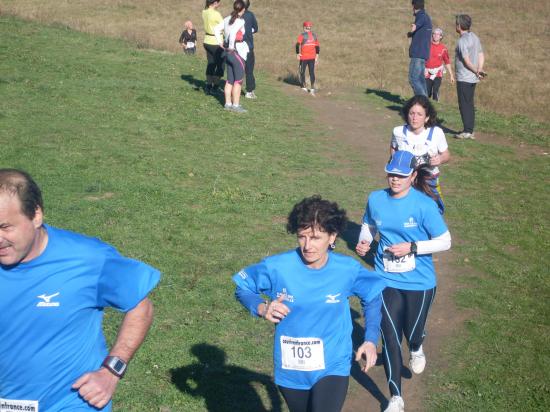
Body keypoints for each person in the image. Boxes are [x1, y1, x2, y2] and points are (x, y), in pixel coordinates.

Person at [0, 169, 161, 411]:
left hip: (72, 402)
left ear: (36, 215)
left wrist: (111, 371)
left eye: (5, 227)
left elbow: (141, 306)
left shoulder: (87, 258)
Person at [233, 195, 386, 412]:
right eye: (302, 237)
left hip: (333, 364)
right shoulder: (278, 266)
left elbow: (372, 297)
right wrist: (262, 308)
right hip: (291, 368)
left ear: (332, 236)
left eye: (315, 238)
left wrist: (370, 339)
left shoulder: (346, 269)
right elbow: (243, 288)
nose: (307, 245)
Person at [355, 151, 451, 412]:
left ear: (413, 176)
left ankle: (417, 346)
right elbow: (369, 225)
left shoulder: (424, 205)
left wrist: (412, 246)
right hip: (384, 278)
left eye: (400, 175)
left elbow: (445, 241)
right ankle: (395, 397)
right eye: (391, 173)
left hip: (419, 282)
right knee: (390, 336)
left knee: (413, 332)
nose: (394, 179)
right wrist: (365, 240)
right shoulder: (376, 199)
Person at [390, 95, 450, 214]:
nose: (414, 118)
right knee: (405, 213)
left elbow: (446, 155)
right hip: (405, 180)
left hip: (429, 180)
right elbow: (393, 148)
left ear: (427, 117)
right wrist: (396, 161)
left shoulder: (436, 133)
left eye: (419, 114)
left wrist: (440, 159)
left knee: (433, 213)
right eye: (412, 113)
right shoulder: (398, 132)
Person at [214, 0, 249, 113]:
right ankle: (236, 105)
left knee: (230, 80)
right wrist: (231, 46)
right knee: (238, 81)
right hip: (235, 52)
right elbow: (234, 33)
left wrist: (221, 42)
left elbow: (216, 29)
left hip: (228, 54)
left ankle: (228, 104)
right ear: (243, 9)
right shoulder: (240, 21)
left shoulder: (227, 19)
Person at [454, 14, 485, 140]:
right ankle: (470, 130)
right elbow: (481, 54)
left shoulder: (462, 41)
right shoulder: (474, 37)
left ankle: (467, 131)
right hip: (472, 78)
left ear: (459, 26)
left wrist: (476, 71)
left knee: (464, 104)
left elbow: (466, 61)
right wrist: (479, 69)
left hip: (464, 78)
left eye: (456, 23)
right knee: (469, 103)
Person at [407, 0, 432, 97]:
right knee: (420, 79)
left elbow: (415, 26)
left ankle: (423, 103)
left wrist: (413, 28)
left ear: (414, 6)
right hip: (424, 54)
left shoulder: (421, 16)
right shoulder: (427, 17)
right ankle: (425, 105)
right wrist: (412, 34)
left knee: (413, 78)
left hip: (417, 54)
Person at [424, 28, 454, 101]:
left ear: (441, 36)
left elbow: (447, 61)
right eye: (434, 33)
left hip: (438, 72)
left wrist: (451, 75)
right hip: (427, 72)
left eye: (437, 34)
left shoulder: (443, 48)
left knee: (435, 91)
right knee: (427, 92)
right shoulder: (427, 45)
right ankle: (426, 108)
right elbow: (421, 58)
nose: (435, 35)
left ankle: (436, 105)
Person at [202, 0, 225, 95]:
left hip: (207, 40)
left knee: (211, 63)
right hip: (216, 42)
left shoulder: (204, 12)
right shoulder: (216, 14)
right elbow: (224, 26)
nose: (219, 4)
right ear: (215, 3)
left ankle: (208, 86)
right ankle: (215, 87)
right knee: (221, 66)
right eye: (218, 2)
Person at [296, 21, 320, 96]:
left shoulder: (302, 35)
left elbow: (297, 45)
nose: (308, 29)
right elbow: (317, 47)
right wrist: (317, 55)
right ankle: (312, 88)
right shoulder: (314, 35)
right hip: (312, 57)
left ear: (304, 28)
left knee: (302, 71)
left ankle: (304, 87)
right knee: (311, 72)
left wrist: (297, 53)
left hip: (304, 58)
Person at [242, 0, 258, 99]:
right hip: (248, 46)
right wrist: (248, 32)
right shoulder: (250, 15)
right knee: (249, 69)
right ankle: (249, 91)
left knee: (237, 69)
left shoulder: (233, 15)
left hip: (235, 46)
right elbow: (255, 28)